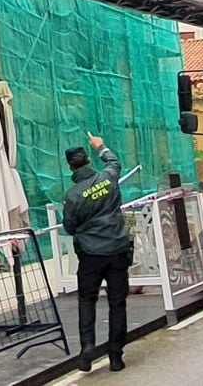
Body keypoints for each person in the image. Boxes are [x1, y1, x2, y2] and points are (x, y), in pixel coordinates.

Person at [62, 132, 132, 374]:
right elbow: (115, 163)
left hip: (91, 255)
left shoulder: (72, 196)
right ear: (88, 161)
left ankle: (87, 348)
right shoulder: (108, 178)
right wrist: (101, 145)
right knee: (117, 303)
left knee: (86, 300)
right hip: (117, 249)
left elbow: (69, 227)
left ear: (71, 166)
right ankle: (116, 356)